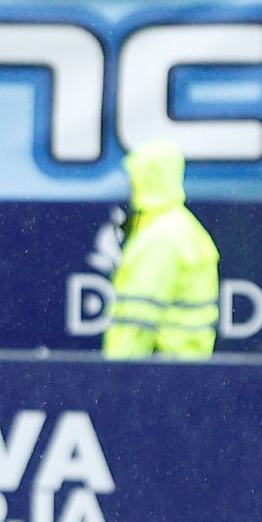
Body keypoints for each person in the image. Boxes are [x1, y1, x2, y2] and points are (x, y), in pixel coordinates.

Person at [101, 140, 220, 361]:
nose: (128, 184)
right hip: (181, 370)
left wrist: (115, 376)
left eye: (132, 177)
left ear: (144, 179)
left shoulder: (161, 238)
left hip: (153, 371)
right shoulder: (184, 228)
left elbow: (139, 318)